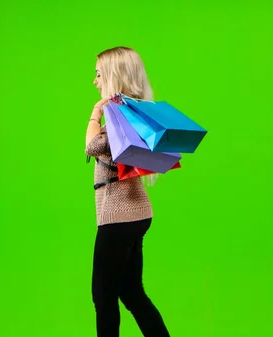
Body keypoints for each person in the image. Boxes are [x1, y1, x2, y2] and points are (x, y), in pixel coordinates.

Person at [85, 46, 171, 337]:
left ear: (113, 76)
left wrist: (94, 115)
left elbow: (92, 147)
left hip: (117, 216)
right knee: (132, 293)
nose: (95, 81)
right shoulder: (135, 116)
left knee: (103, 298)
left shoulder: (118, 118)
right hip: (138, 213)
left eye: (99, 74)